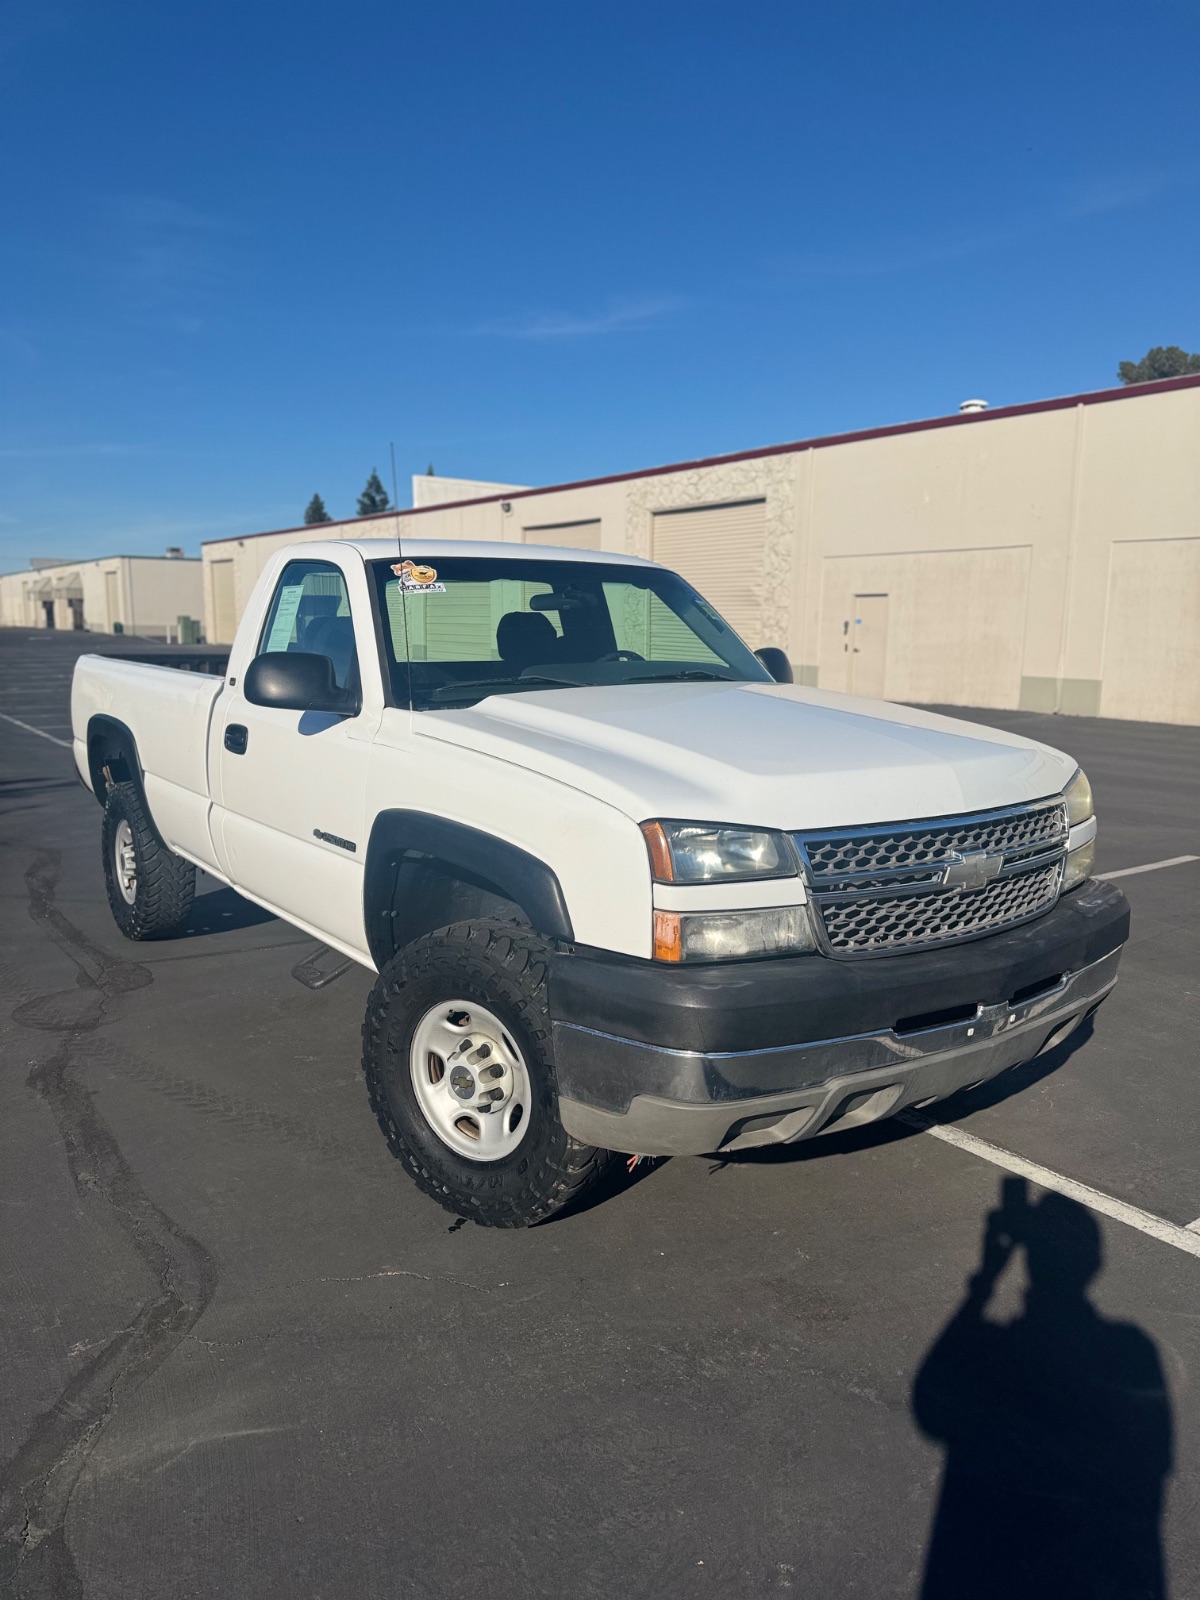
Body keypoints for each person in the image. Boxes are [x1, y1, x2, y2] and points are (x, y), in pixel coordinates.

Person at [912, 1178, 1172, 1599]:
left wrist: (985, 1280)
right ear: (1095, 1264)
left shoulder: (997, 1353)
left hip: (994, 1562)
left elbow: (929, 1404)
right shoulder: (1133, 1351)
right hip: (1101, 1570)